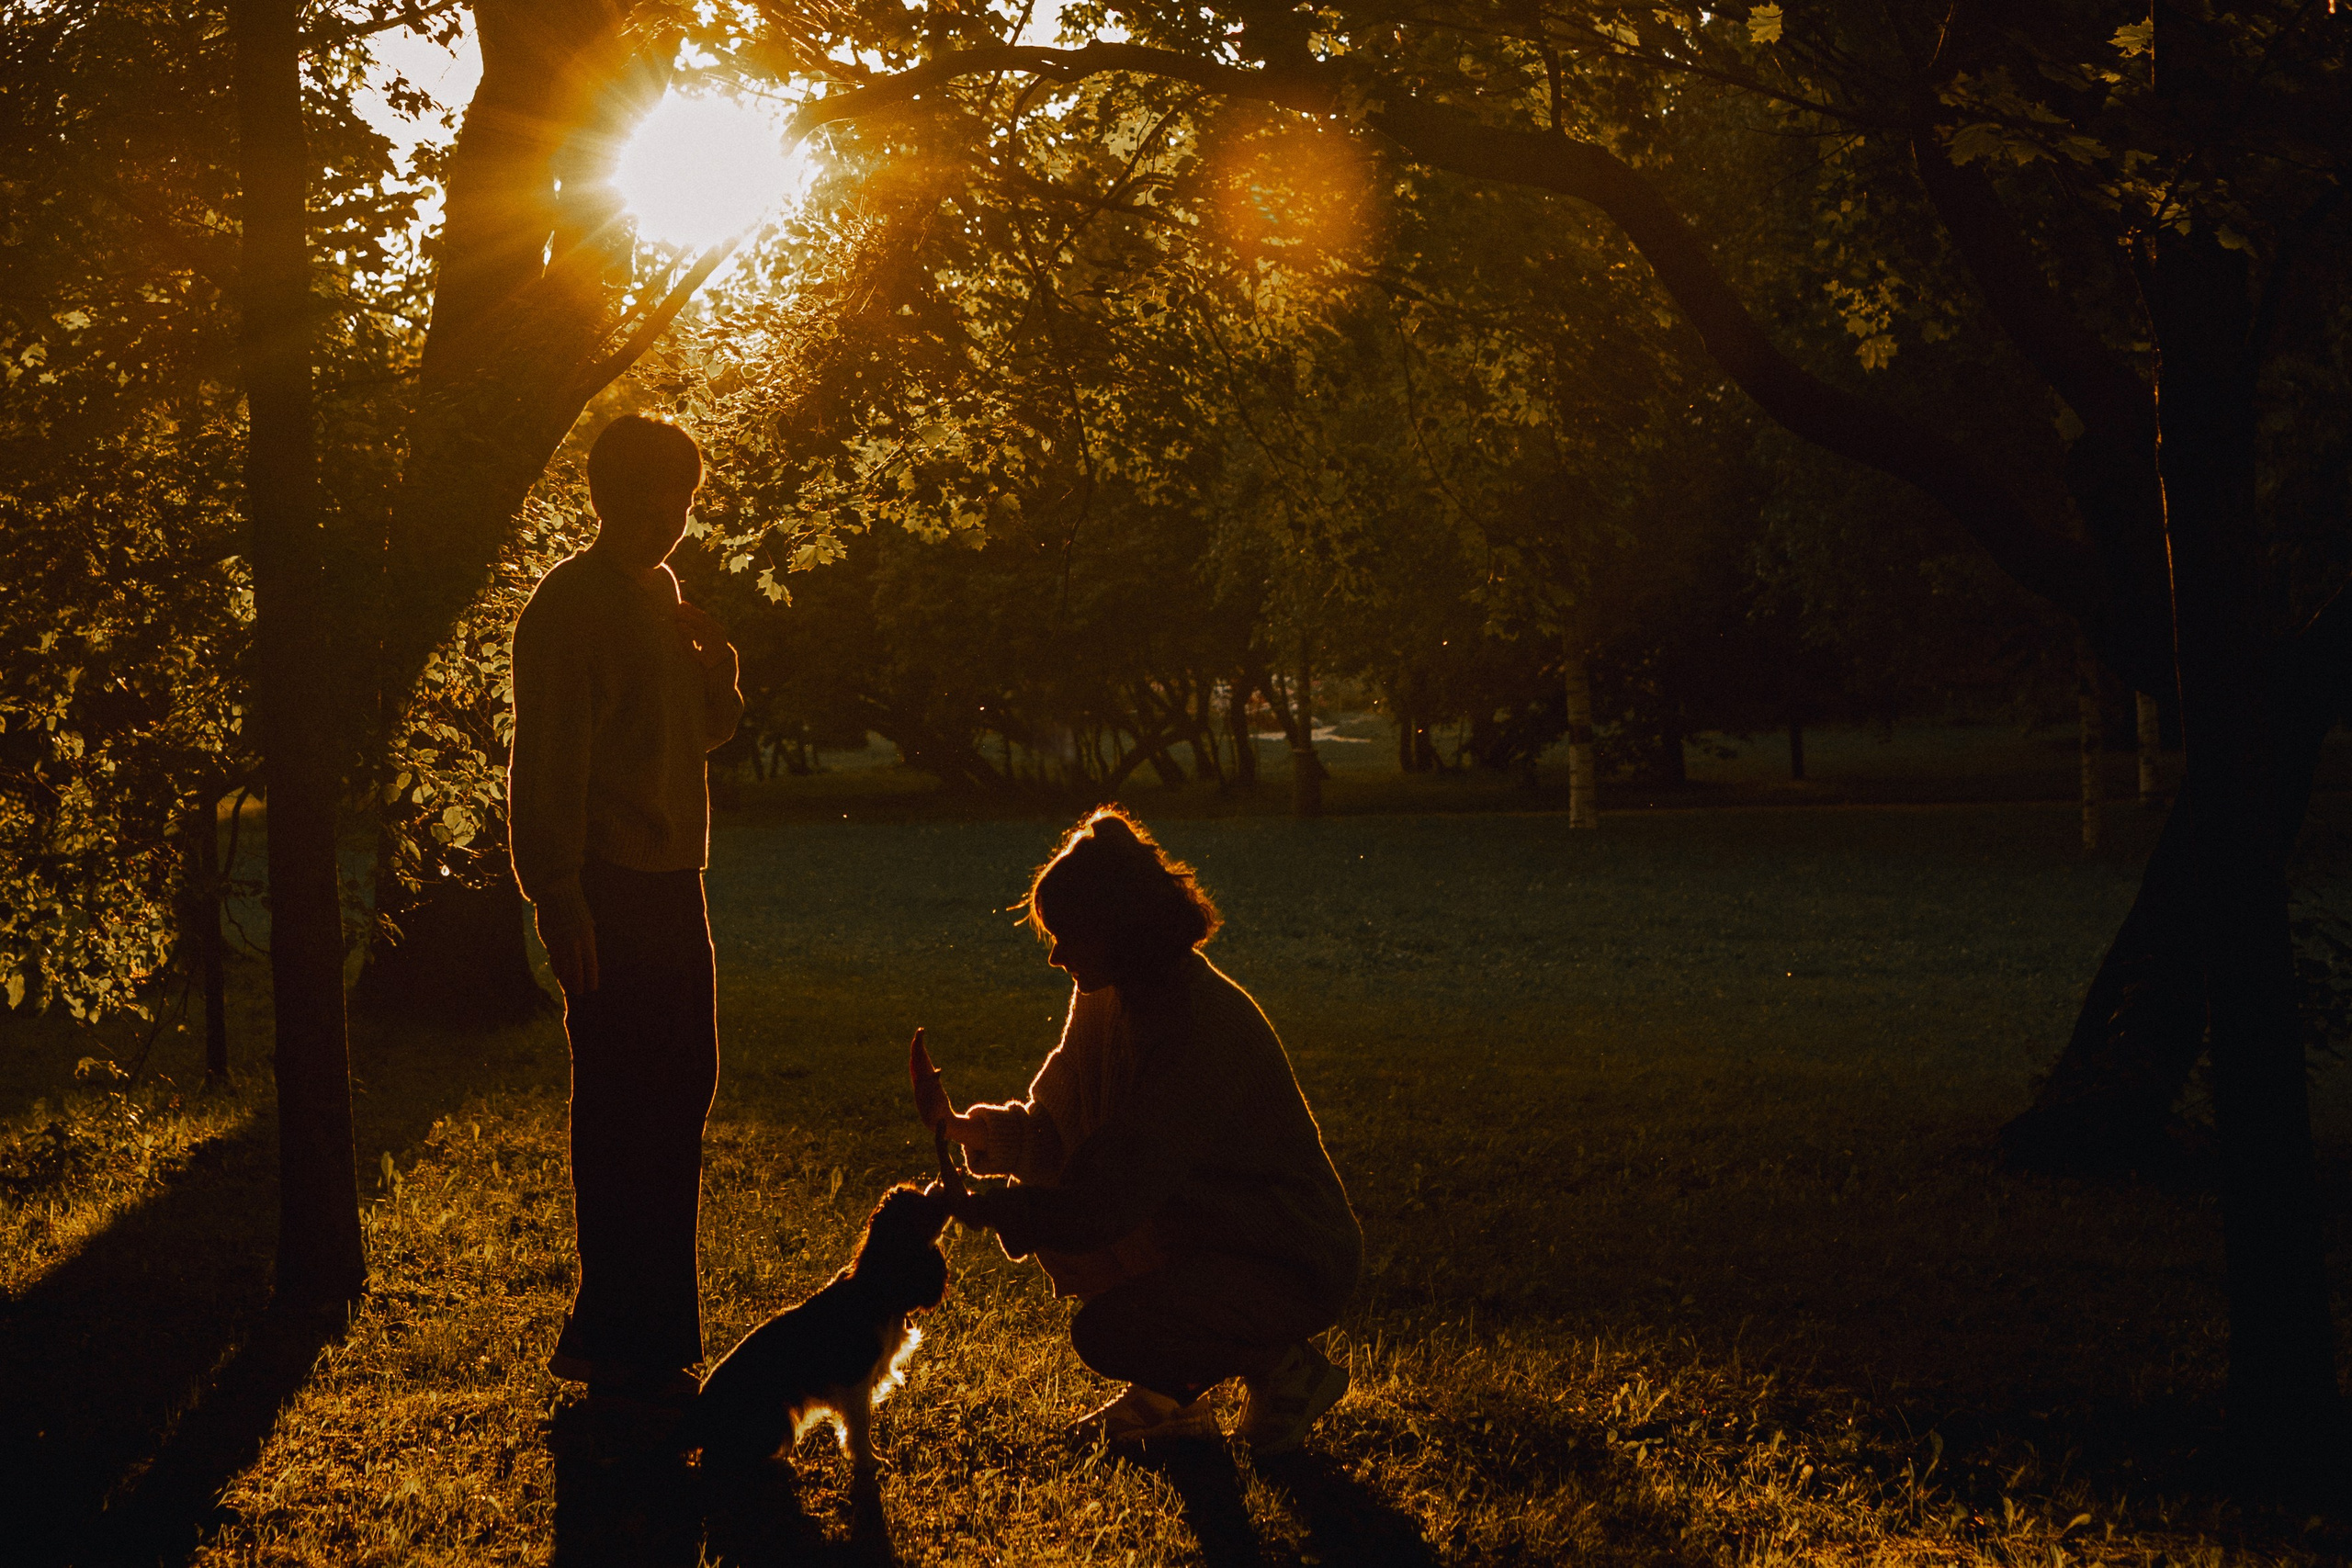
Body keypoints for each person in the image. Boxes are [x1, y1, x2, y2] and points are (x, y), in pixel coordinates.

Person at [914, 807, 1363, 1451]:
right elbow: (1059, 1131)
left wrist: (990, 1208)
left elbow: (1111, 1196)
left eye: (1068, 933)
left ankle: (1281, 1366)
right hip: (1198, 1236)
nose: (1056, 954)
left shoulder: (1198, 1025)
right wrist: (962, 1130)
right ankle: (1173, 1394)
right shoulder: (1107, 997)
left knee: (1110, 1331)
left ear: (1116, 928)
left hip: (1286, 1256)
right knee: (1068, 1232)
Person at [508, 413, 744, 1419]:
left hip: (672, 878)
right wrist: (558, 898)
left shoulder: (661, 595)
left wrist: (718, 672)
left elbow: (695, 736)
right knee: (621, 1107)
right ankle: (620, 1351)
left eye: (684, 499)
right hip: (606, 884)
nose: (670, 517)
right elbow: (547, 760)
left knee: (682, 1087)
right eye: (654, 496)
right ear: (606, 496)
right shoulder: (571, 605)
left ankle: (652, 1341)